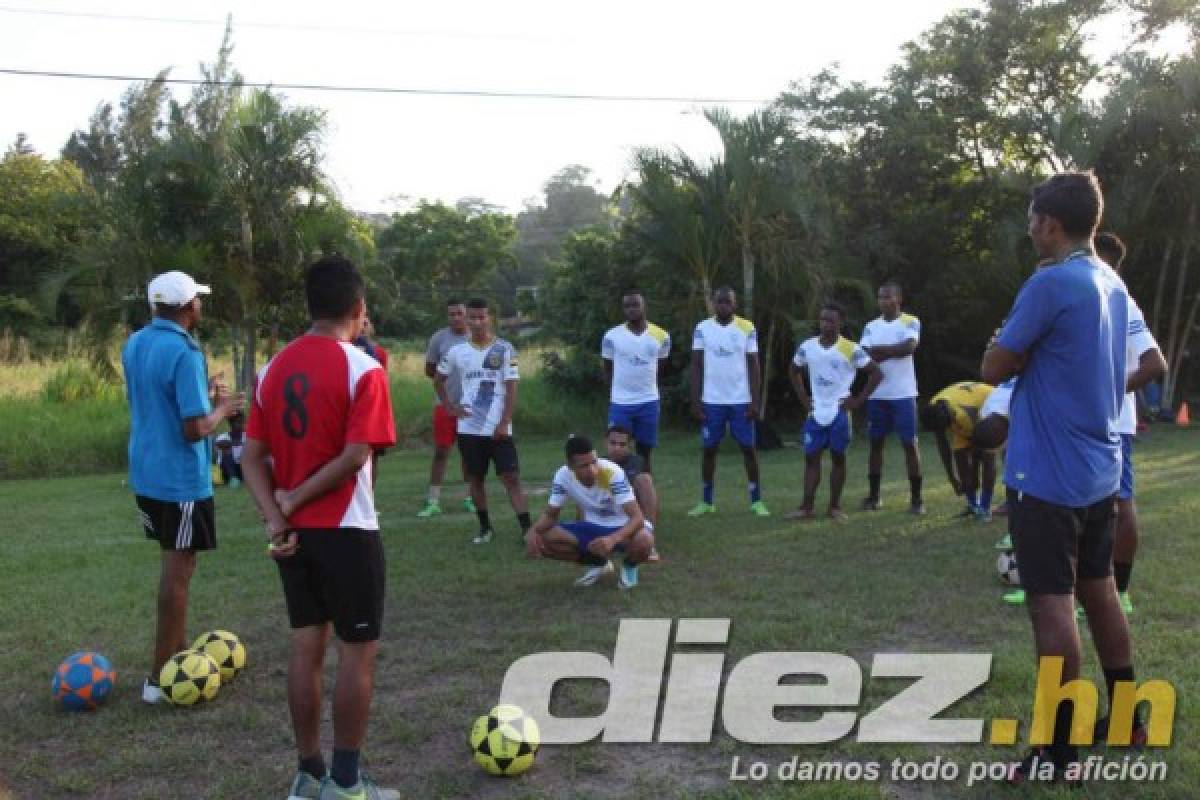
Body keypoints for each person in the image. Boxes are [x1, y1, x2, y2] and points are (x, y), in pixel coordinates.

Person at [982, 171, 1144, 782]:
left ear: (1050, 223)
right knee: (1099, 590)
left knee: (1052, 609)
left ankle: (1058, 752)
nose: (1029, 228)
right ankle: (1127, 713)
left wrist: (1001, 342)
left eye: (1032, 218)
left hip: (1047, 475)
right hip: (1100, 470)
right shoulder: (1111, 281)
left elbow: (994, 366)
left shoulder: (1049, 283)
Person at [241, 256, 399, 800]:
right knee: (358, 653)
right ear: (358, 310)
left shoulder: (272, 369)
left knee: (305, 648)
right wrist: (292, 500)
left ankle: (309, 774)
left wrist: (277, 515)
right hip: (348, 531)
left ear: (310, 307)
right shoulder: (364, 369)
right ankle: (348, 785)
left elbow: (250, 456)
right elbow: (357, 456)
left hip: (293, 538)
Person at [122, 270, 244, 704]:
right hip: (179, 479)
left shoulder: (136, 342)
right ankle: (159, 678)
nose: (201, 306)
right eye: (198, 301)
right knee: (178, 571)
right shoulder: (185, 351)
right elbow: (195, 429)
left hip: (147, 472)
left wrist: (204, 392)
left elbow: (154, 398)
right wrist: (223, 407)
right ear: (189, 307)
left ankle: (174, 657)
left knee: (177, 566)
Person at [1094, 232, 1167, 614]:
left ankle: (1119, 592)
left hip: (1110, 424)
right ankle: (1085, 591)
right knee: (1088, 508)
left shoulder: (1118, 298)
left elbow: (1155, 363)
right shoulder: (1089, 293)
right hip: (1085, 424)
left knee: (1120, 505)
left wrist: (1106, 393)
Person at [435, 298, 531, 544]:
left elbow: (511, 386)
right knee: (475, 478)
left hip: (498, 427)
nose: (477, 322)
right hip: (469, 428)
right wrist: (449, 407)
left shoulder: (504, 348)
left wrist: (505, 421)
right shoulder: (457, 351)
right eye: (472, 318)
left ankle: (527, 529)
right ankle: (485, 528)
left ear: (489, 318)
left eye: (481, 317)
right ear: (467, 319)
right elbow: (438, 379)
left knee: (511, 477)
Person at [785, 302, 882, 521]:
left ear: (840, 323)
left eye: (830, 320)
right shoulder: (807, 347)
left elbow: (875, 373)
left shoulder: (851, 348)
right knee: (811, 458)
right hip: (816, 412)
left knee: (838, 458)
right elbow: (793, 370)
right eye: (822, 319)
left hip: (839, 413)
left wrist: (857, 401)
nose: (825, 324)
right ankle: (806, 507)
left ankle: (834, 507)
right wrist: (803, 398)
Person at [525, 434, 655, 590]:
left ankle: (629, 566)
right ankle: (599, 563)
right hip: (591, 526)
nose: (592, 470)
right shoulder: (562, 476)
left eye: (594, 462)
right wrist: (533, 531)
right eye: (584, 466)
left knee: (645, 539)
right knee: (543, 539)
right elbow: (550, 515)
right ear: (570, 466)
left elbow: (637, 517)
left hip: (622, 528)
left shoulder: (611, 472)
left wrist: (612, 539)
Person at [687, 287, 770, 517]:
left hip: (740, 401)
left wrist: (755, 401)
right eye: (719, 302)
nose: (723, 305)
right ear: (713, 304)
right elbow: (696, 365)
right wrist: (695, 402)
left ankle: (756, 501)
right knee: (709, 450)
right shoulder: (702, 328)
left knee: (748, 449)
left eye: (728, 302)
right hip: (711, 401)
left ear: (735, 304)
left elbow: (754, 365)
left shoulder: (747, 327)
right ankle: (706, 501)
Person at [859, 281, 925, 514]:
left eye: (888, 297)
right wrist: (890, 351)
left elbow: (909, 348)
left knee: (910, 444)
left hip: (903, 394)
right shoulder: (870, 326)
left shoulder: (911, 321)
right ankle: (874, 496)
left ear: (899, 299)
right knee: (875, 445)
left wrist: (881, 352)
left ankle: (917, 499)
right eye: (880, 297)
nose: (883, 301)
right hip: (877, 395)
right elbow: (864, 356)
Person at [603, 290, 671, 474]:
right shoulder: (611, 336)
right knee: (616, 452)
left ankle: (645, 494)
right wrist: (616, 393)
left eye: (635, 305)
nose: (631, 310)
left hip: (648, 401)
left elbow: (661, 367)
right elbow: (607, 368)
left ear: (643, 306)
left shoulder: (661, 336)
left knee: (644, 453)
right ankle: (615, 494)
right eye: (627, 306)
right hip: (621, 402)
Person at [417, 300, 471, 518]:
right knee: (441, 452)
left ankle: (470, 498)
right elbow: (429, 370)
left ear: (466, 314)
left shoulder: (476, 337)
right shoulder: (439, 338)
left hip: (470, 407)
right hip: (444, 405)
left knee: (469, 453)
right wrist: (445, 379)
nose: (456, 317)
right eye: (452, 314)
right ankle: (433, 500)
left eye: (460, 313)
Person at [920, 381, 998, 521]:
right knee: (960, 457)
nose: (944, 432)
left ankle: (984, 508)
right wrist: (952, 478)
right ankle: (973, 506)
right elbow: (944, 447)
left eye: (944, 428)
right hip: (966, 404)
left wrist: (974, 477)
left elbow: (978, 450)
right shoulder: (934, 408)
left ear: (948, 421)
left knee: (987, 458)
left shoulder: (965, 414)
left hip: (990, 405)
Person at [604, 424, 661, 562]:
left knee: (645, 480)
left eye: (622, 444)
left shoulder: (637, 461)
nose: (617, 448)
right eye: (613, 443)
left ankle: (647, 537)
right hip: (606, 509)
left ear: (629, 446)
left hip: (630, 510)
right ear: (605, 443)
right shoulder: (599, 463)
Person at [215, 411, 246, 487]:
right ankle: (233, 478)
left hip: (243, 467)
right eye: (238, 422)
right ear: (231, 423)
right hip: (226, 469)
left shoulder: (247, 436)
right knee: (226, 451)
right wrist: (235, 444)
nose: (241, 424)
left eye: (242, 422)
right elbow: (219, 444)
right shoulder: (223, 436)